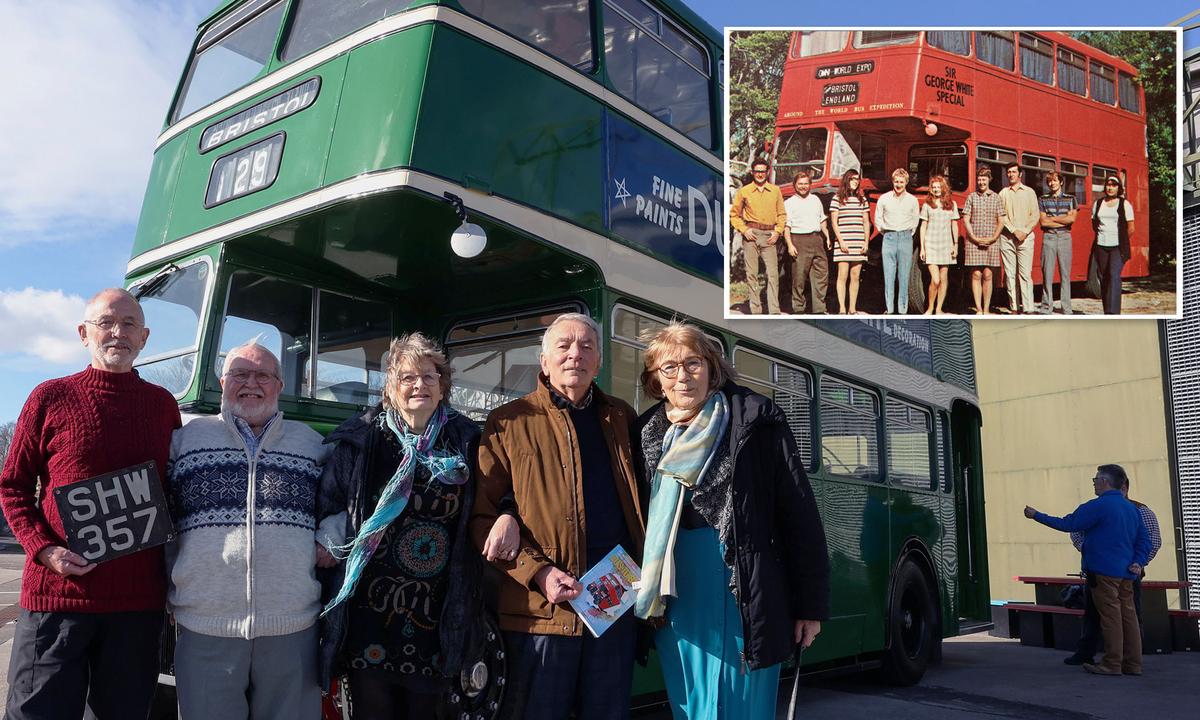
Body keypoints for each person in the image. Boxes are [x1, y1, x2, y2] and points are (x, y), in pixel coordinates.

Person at [0, 288, 181, 719]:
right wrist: (44, 549)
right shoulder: (49, 397)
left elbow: (175, 491)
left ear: (145, 337)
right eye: (106, 323)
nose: (117, 332)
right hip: (57, 602)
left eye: (129, 324)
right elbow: (12, 486)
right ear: (84, 333)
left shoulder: (163, 406)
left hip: (137, 608)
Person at [633, 321, 828, 719]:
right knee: (689, 698)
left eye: (693, 363)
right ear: (656, 380)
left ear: (712, 367)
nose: (682, 376)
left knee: (739, 701)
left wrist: (810, 606)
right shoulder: (646, 432)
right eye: (669, 368)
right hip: (673, 589)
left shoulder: (754, 418)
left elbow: (799, 514)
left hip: (742, 582)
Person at [470, 313, 644, 720]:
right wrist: (539, 573)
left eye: (586, 346)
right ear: (544, 361)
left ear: (598, 362)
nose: (575, 355)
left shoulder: (622, 418)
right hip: (541, 611)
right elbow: (481, 519)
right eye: (563, 345)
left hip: (613, 604)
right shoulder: (508, 421)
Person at [317, 332, 484, 719]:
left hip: (437, 613)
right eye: (407, 377)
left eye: (429, 376)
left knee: (427, 711)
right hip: (368, 612)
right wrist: (328, 537)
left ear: (443, 387)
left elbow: (492, 500)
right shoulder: (361, 439)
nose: (418, 386)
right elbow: (327, 502)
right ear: (390, 387)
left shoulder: (468, 441)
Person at [167, 340, 332, 719]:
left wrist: (330, 537)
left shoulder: (311, 443)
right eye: (240, 374)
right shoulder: (185, 441)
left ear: (280, 385)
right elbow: (161, 520)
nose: (250, 384)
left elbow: (344, 502)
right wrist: (167, 583)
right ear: (223, 381)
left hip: (292, 627)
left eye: (263, 375)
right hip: (205, 625)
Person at [1023, 465, 1150, 676]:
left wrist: (1037, 515)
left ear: (1105, 482)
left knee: (1110, 618)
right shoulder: (1132, 509)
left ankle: (1112, 663)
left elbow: (1069, 524)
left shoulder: (1098, 506)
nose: (1094, 483)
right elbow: (1144, 539)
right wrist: (1139, 561)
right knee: (1129, 617)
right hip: (1128, 572)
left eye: (1096, 479)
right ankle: (1133, 663)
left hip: (1103, 571)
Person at [1065, 469, 1162, 666]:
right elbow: (1077, 531)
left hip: (1127, 572)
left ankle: (1123, 659)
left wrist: (1138, 563)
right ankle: (1092, 653)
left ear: (1125, 487)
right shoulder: (1102, 507)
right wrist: (1090, 550)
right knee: (1094, 614)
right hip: (1099, 570)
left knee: (1128, 614)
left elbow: (1152, 540)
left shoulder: (1141, 510)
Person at [729, 160, 786, 315]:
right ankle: (756, 309)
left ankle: (774, 310)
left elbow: (781, 214)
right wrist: (744, 229)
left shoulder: (775, 191)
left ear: (767, 172)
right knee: (752, 274)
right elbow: (734, 215)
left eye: (763, 171)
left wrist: (778, 231)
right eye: (757, 171)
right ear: (752, 172)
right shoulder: (744, 191)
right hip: (751, 235)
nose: (760, 174)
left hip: (770, 236)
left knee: (773, 274)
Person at [783, 171, 831, 314]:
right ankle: (799, 308)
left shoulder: (815, 199)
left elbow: (822, 220)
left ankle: (819, 309)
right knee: (799, 277)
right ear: (794, 185)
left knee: (821, 275)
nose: (803, 187)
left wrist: (827, 236)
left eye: (806, 184)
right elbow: (786, 227)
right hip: (799, 240)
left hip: (817, 239)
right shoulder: (789, 203)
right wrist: (790, 245)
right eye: (800, 184)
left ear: (810, 185)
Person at [874, 168, 920, 314]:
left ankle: (902, 310)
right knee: (889, 276)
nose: (898, 185)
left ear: (906, 182)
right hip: (889, 237)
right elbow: (878, 219)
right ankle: (890, 309)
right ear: (892, 182)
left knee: (904, 276)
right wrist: (887, 233)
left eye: (901, 182)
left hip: (906, 238)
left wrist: (906, 234)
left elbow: (915, 221)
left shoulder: (912, 200)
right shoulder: (884, 198)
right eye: (896, 181)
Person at [962, 167, 1005, 314]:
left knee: (988, 274)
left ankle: (986, 308)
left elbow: (1001, 220)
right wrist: (974, 237)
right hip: (974, 241)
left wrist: (993, 238)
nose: (981, 182)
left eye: (984, 179)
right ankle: (978, 308)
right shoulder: (971, 197)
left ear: (989, 180)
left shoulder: (996, 197)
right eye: (979, 179)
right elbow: (966, 219)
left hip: (991, 241)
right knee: (976, 274)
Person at [829, 169, 872, 314]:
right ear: (846, 180)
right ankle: (842, 308)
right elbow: (834, 222)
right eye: (852, 179)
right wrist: (840, 241)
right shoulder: (837, 199)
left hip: (858, 242)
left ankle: (852, 308)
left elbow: (866, 222)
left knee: (855, 276)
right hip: (844, 242)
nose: (855, 182)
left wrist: (866, 242)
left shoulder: (862, 200)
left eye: (857, 179)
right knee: (842, 275)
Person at [998, 163, 1040, 314]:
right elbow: (1001, 215)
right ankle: (1014, 307)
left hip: (1026, 238)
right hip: (1007, 238)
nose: (1011, 175)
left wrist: (1025, 231)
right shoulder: (1003, 193)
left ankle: (1028, 308)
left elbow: (1035, 215)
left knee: (1025, 274)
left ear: (1020, 174)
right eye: (1008, 172)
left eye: (1014, 172)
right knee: (1010, 274)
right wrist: (1014, 230)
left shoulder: (1030, 192)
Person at [1091, 176, 1135, 315]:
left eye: (1114, 185)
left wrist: (1121, 240)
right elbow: (1094, 224)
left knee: (1114, 275)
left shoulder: (1125, 204)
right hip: (1101, 245)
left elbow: (1131, 227)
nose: (1110, 188)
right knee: (1104, 278)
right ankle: (1107, 311)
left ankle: (1114, 313)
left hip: (1117, 247)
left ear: (1118, 187)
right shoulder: (1098, 203)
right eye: (1108, 185)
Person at [918, 175, 959, 315]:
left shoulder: (951, 205)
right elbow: (923, 226)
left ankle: (939, 309)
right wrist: (922, 248)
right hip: (931, 244)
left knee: (943, 279)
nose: (936, 190)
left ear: (943, 188)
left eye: (938, 187)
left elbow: (954, 224)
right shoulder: (927, 205)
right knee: (935, 280)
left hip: (946, 244)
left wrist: (956, 245)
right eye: (933, 187)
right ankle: (929, 308)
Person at [1038, 172, 1078, 314]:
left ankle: (1066, 308)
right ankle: (1046, 307)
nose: (1052, 183)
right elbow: (1043, 221)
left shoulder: (1071, 199)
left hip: (1065, 237)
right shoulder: (1042, 199)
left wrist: (1052, 219)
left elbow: (1071, 220)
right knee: (1047, 273)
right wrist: (1062, 218)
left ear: (1061, 182)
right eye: (1049, 181)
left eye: (1054, 181)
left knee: (1065, 274)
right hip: (1048, 237)